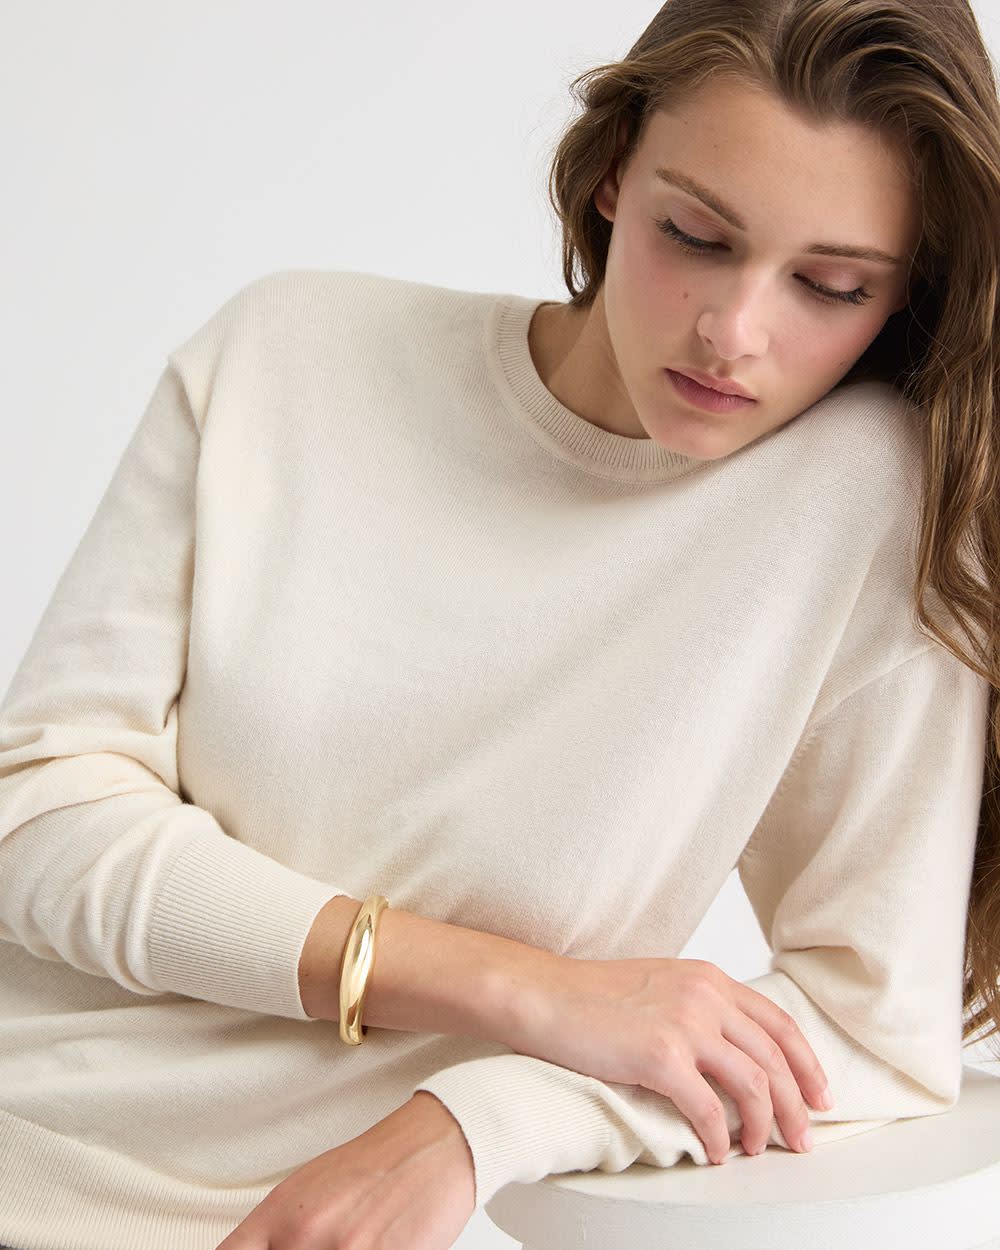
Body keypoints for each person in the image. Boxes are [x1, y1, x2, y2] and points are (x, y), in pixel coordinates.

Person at [1, 0, 999, 1247]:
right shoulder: (286, 354)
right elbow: (36, 814)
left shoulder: (863, 504)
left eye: (829, 285)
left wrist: (476, 1122)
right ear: (612, 169)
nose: (734, 332)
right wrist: (530, 993)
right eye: (694, 234)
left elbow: (869, 1026)